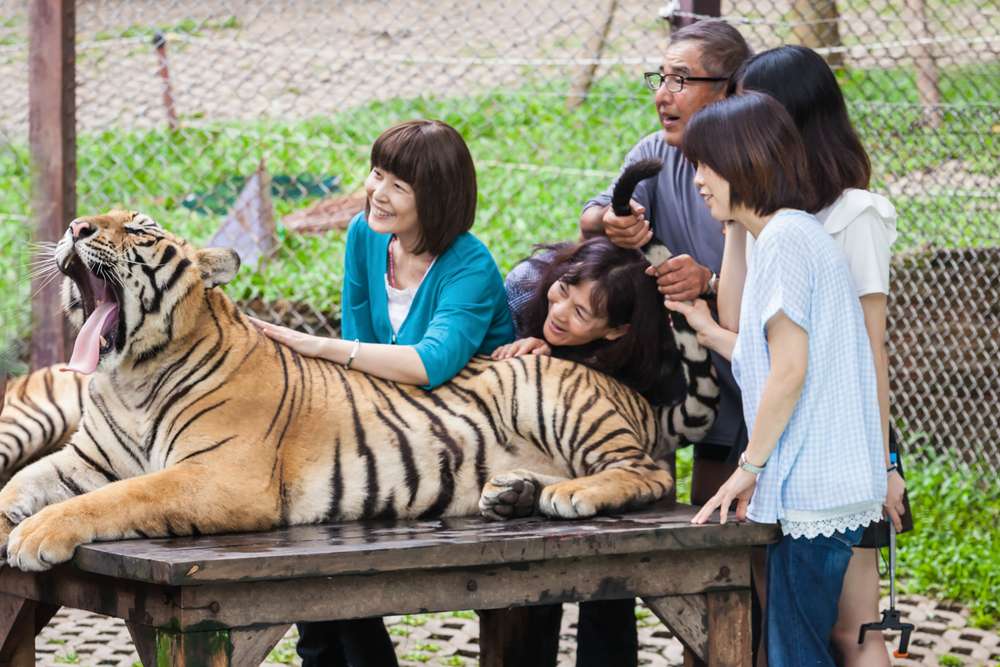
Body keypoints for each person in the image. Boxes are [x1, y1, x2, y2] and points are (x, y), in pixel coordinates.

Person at [253, 119, 514, 667]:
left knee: (327, 518)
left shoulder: (470, 263)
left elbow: (430, 363)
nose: (378, 191)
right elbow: (360, 341)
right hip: (394, 424)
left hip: (467, 438)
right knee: (316, 519)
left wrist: (314, 346)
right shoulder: (365, 236)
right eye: (377, 173)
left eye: (399, 184)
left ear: (437, 196)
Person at [669, 92, 887, 666]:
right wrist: (707, 329)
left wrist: (747, 470)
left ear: (742, 161)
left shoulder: (787, 239)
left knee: (794, 653)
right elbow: (777, 357)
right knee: (795, 646)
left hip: (816, 492)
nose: (697, 182)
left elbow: (789, 372)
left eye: (704, 166)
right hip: (821, 488)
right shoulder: (788, 235)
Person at [725, 45, 910, 667]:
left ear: (793, 117)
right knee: (799, 620)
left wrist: (883, 460)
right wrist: (735, 213)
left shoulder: (853, 215)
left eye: (754, 108)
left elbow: (869, 349)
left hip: (845, 445)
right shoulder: (777, 217)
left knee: (855, 631)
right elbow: (735, 321)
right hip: (789, 450)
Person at [495, 236, 716, 667]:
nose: (559, 312)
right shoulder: (526, 286)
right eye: (563, 291)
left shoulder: (649, 351)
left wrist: (570, 366)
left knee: (610, 586)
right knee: (530, 591)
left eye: (581, 313)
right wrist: (532, 355)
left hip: (615, 454)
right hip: (532, 459)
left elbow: (663, 432)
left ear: (616, 331)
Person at [579, 17, 751, 506]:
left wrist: (709, 281)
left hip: (755, 368)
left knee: (731, 521)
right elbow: (593, 214)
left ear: (729, 90)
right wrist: (610, 221)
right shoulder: (655, 152)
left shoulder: (760, 166)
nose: (662, 95)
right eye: (660, 78)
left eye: (680, 79)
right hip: (677, 369)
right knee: (680, 506)